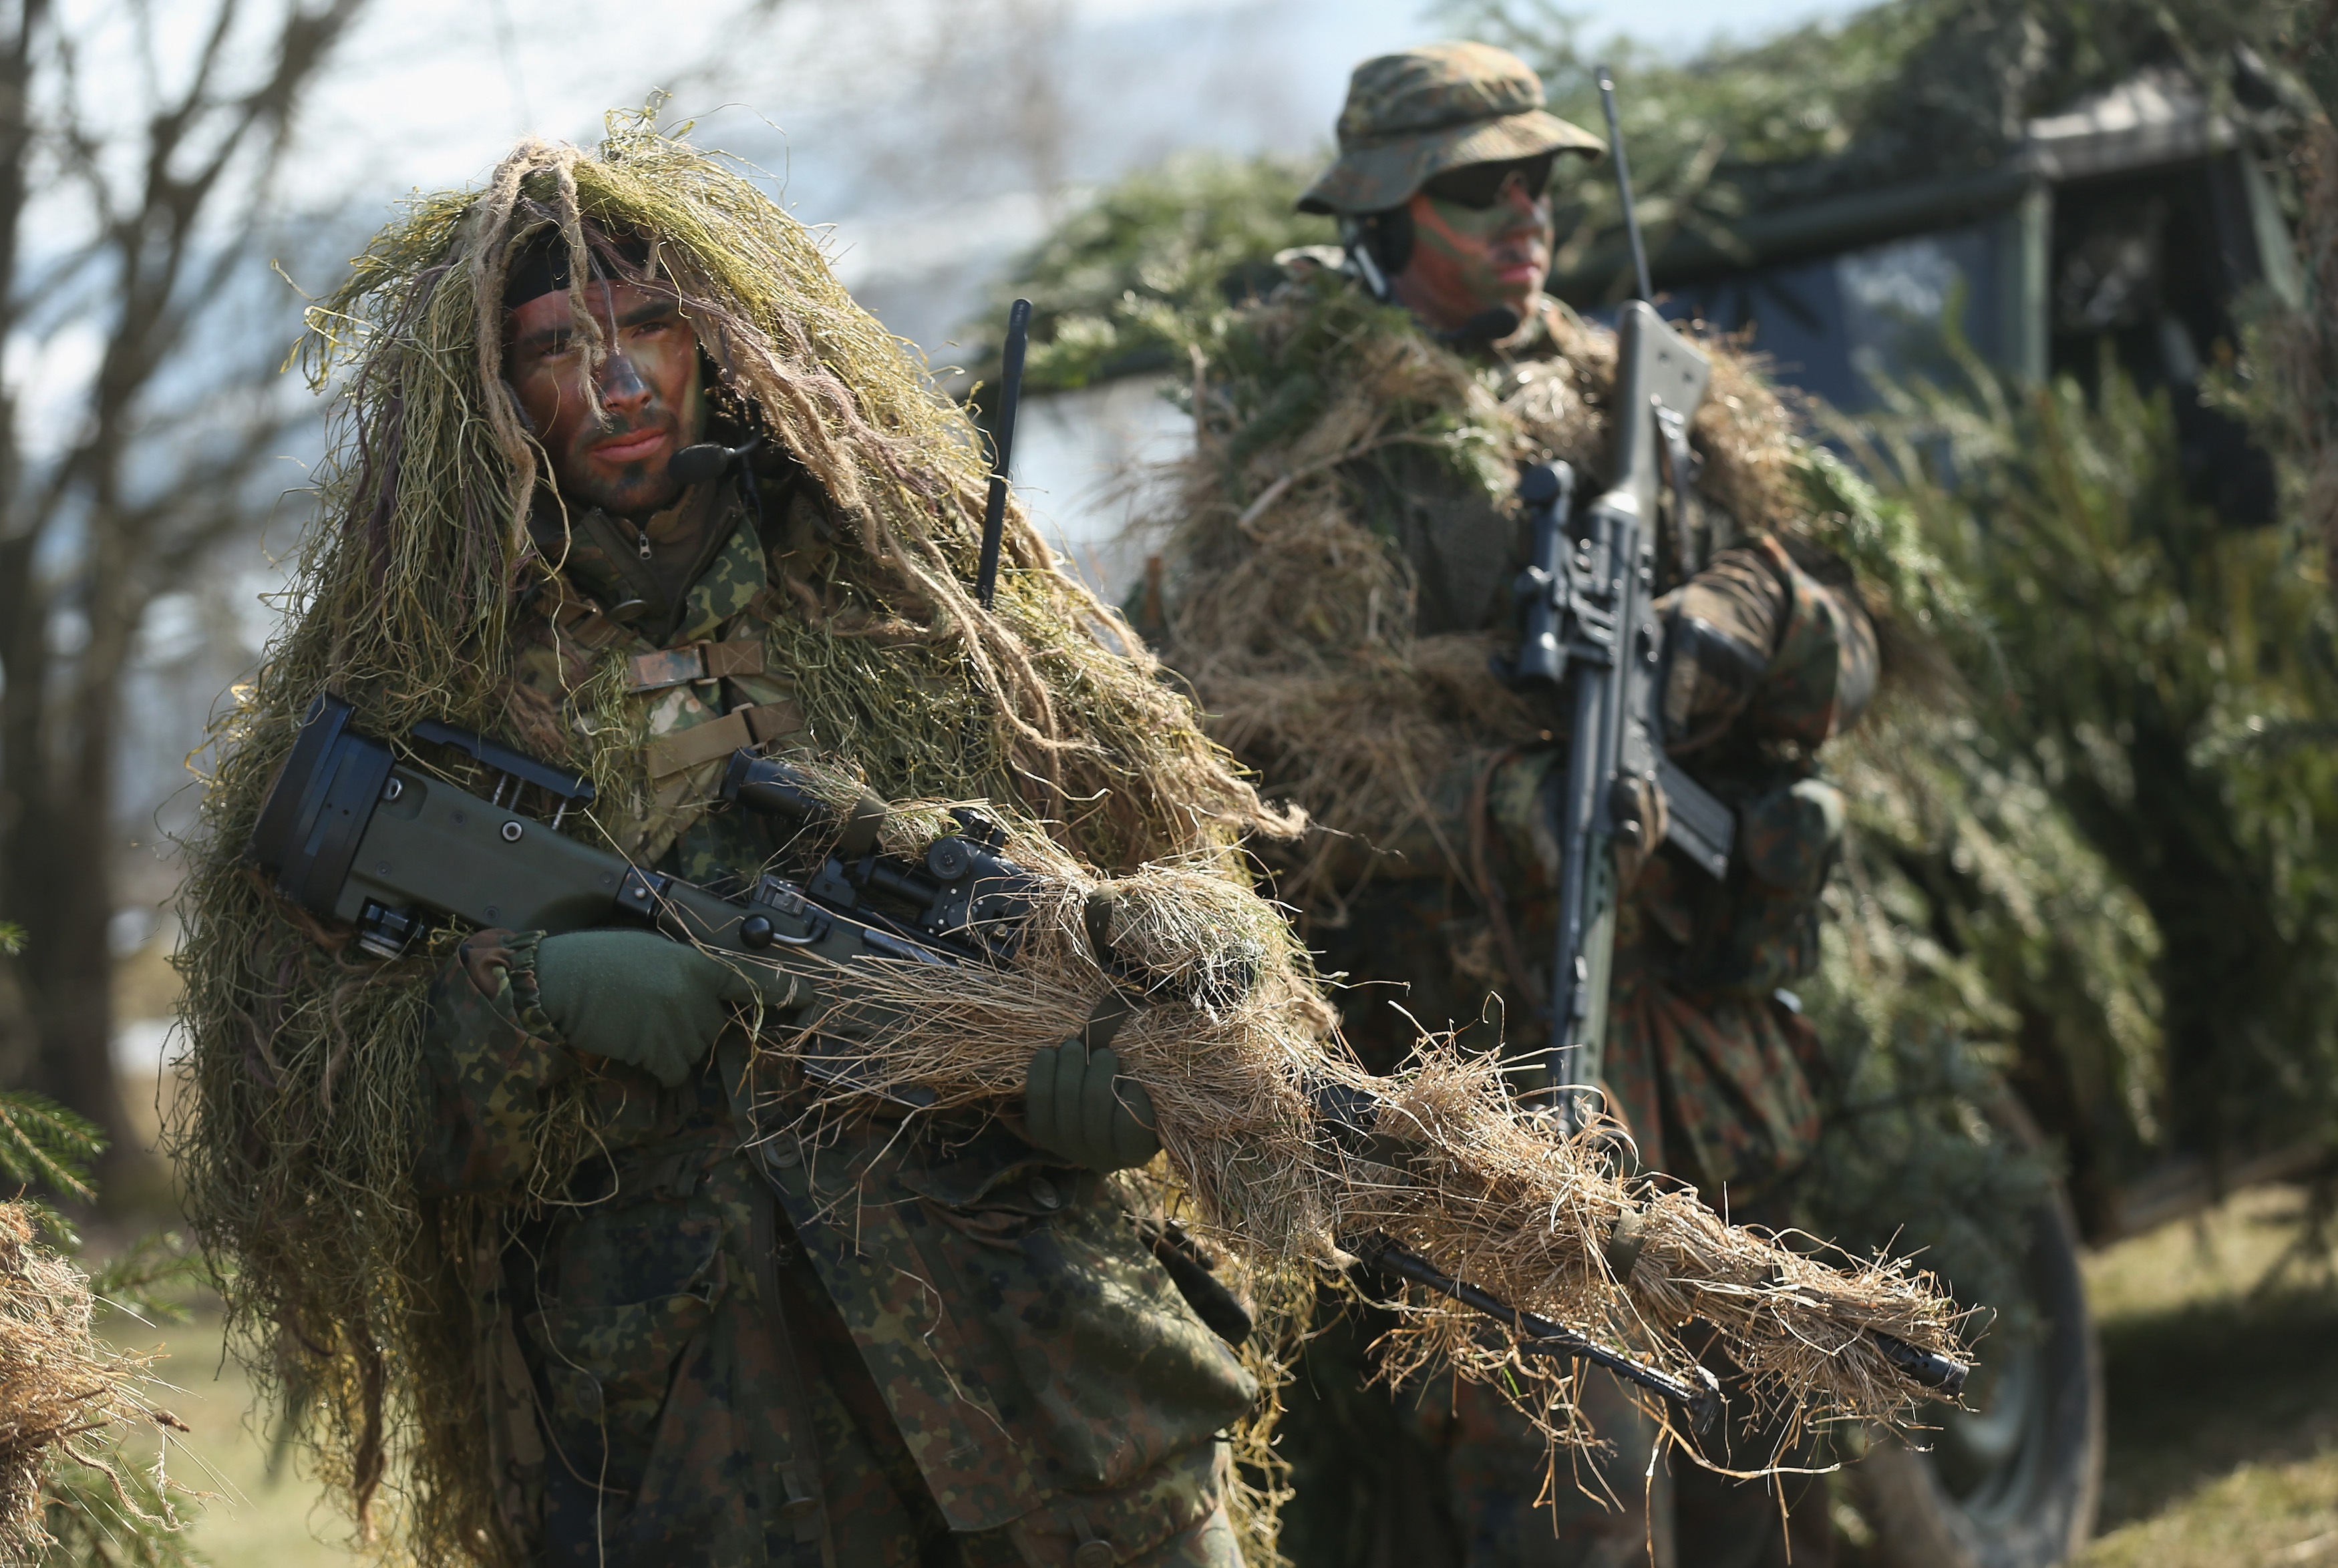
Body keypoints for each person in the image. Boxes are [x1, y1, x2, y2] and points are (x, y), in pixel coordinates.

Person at [174, 124, 1291, 1568]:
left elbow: (1179, 900)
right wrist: (530, 1006)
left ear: (723, 347)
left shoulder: (922, 614)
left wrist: (1129, 1069)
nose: (621, 380)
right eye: (561, 346)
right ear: (490, 394)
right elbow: (294, 1097)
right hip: (691, 1449)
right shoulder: (420, 694)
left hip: (1049, 1398)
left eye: (653, 328)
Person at [1147, 42, 1882, 1568]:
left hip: (1691, 1029)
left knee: (1763, 1471)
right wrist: (1502, 800)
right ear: (1386, 211)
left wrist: (1734, 619)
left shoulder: (1638, 392)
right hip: (1488, 1050)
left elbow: (1851, 647)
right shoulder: (1311, 449)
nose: (1522, 210)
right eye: (1476, 187)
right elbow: (1248, 761)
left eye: (1539, 177)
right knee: (1571, 1478)